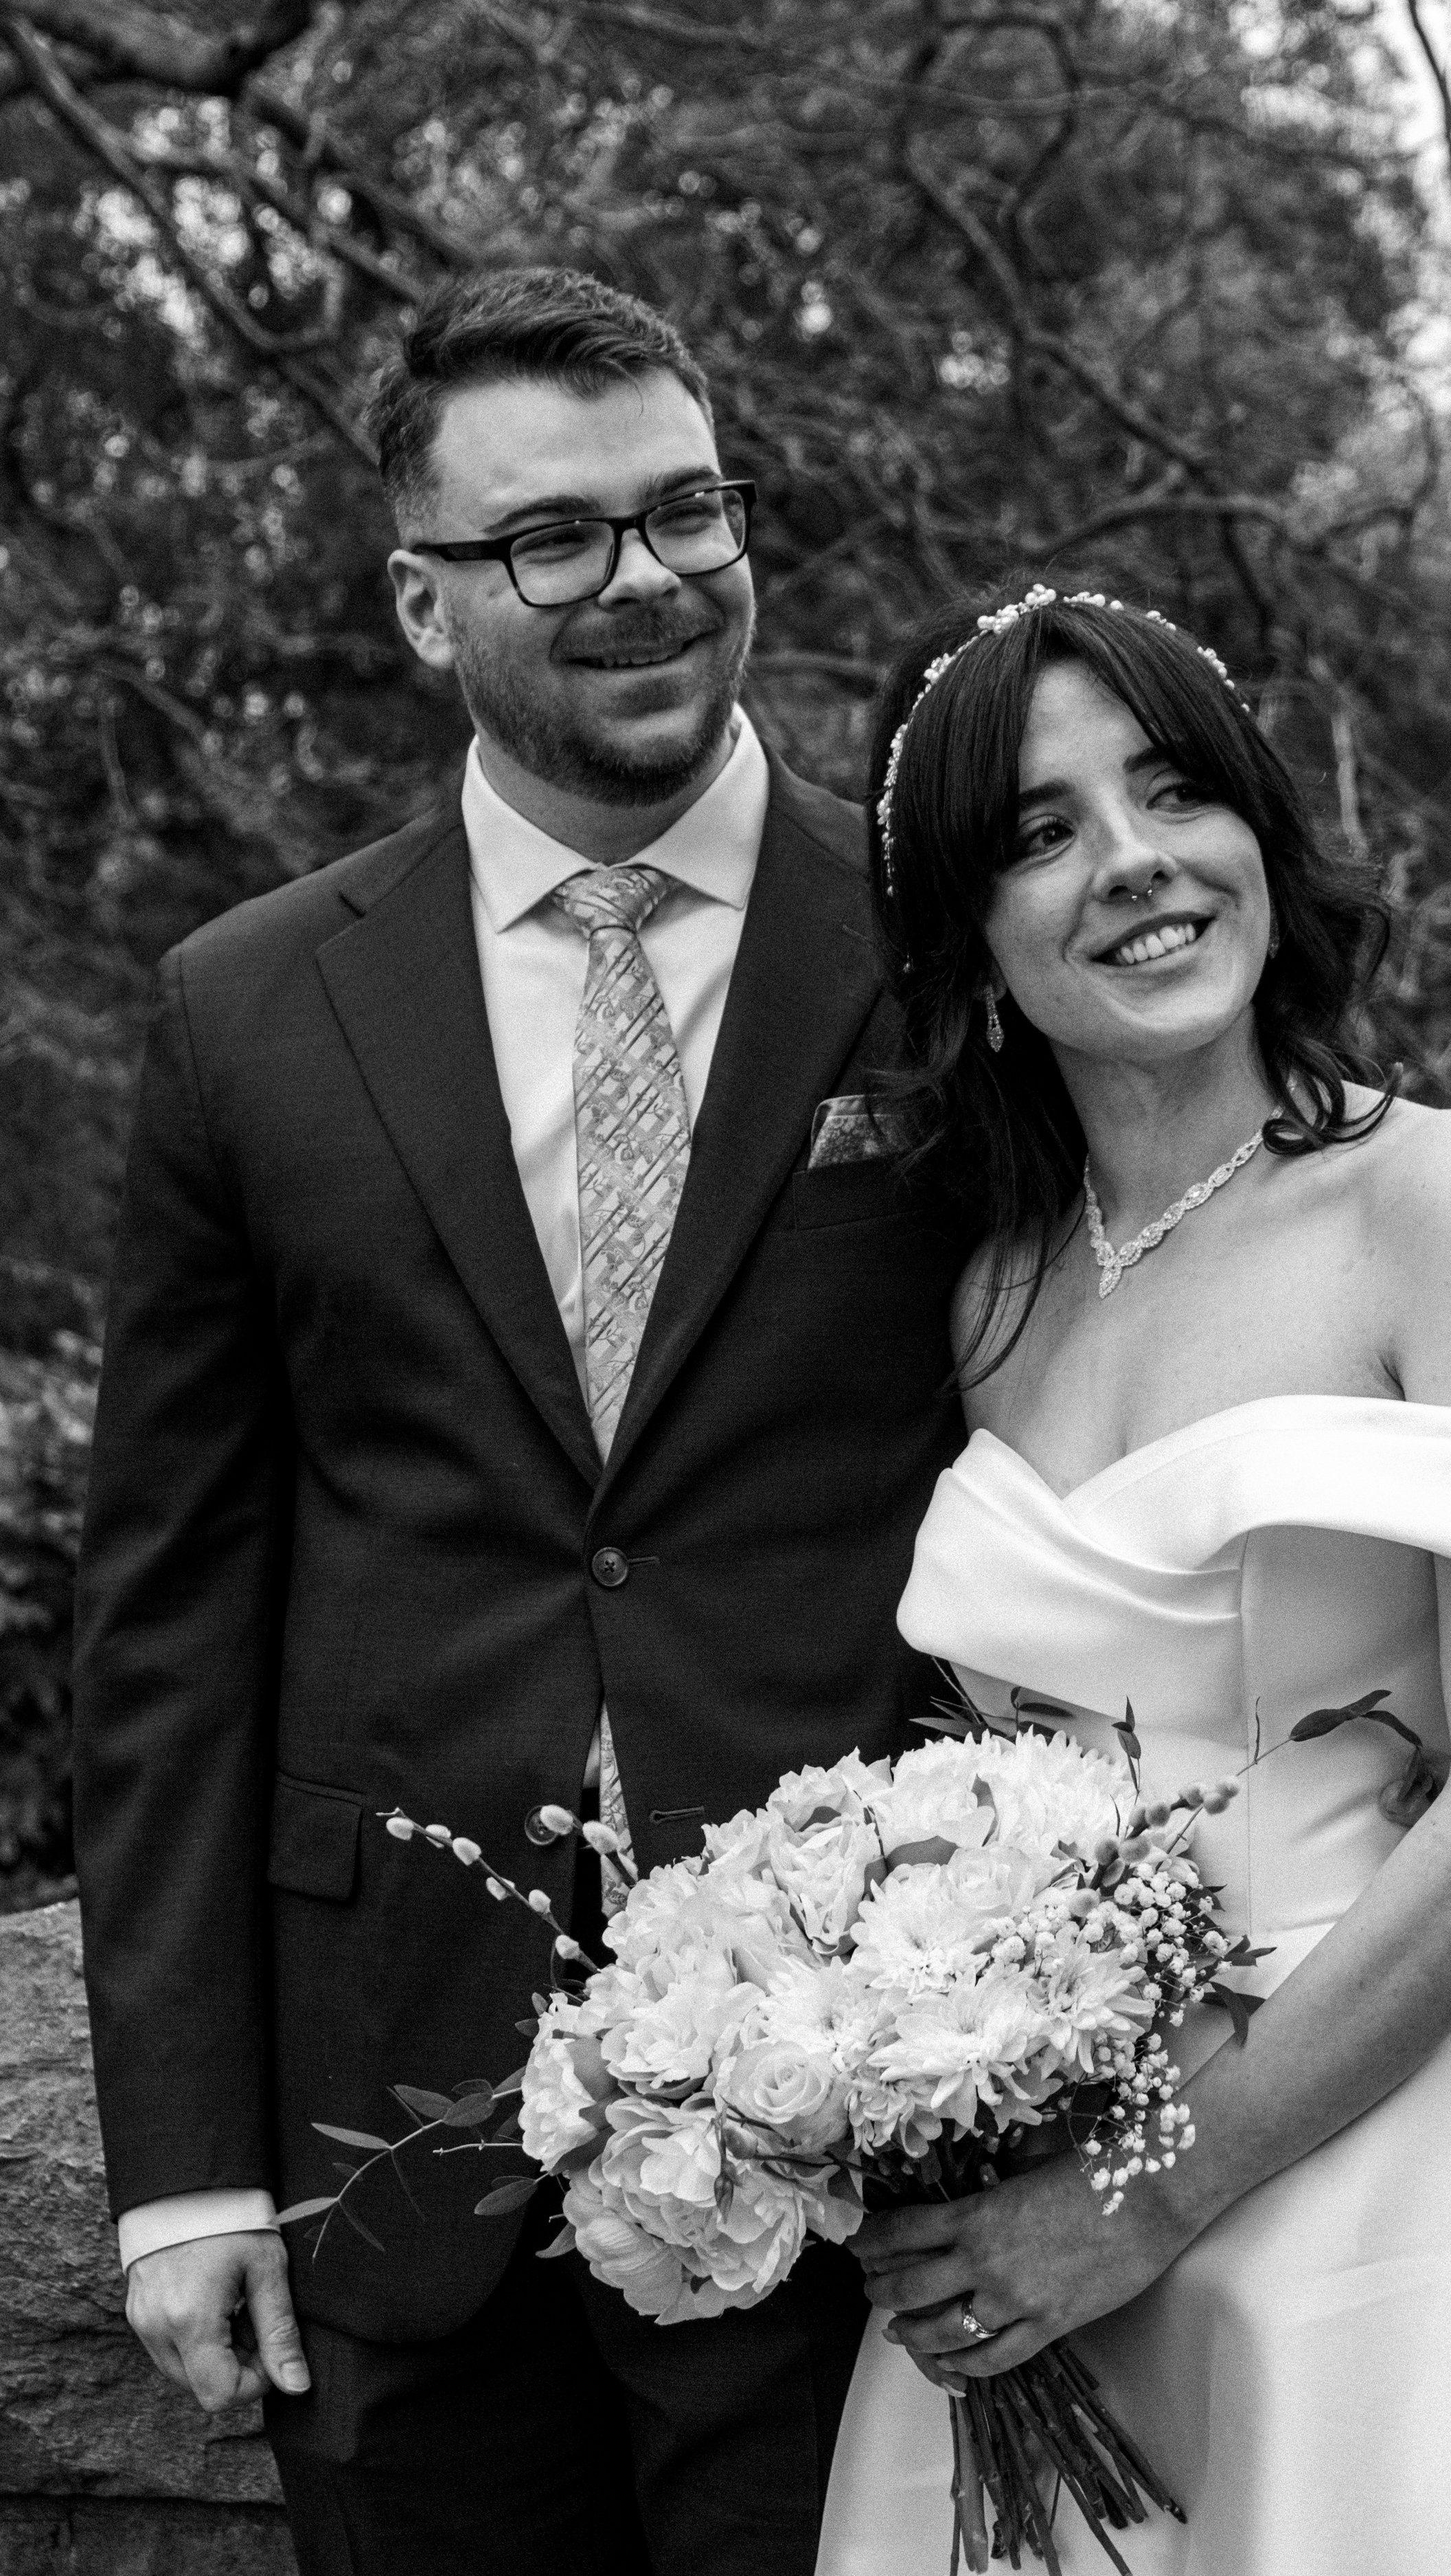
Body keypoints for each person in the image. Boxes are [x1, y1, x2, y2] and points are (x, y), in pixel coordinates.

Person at [72, 267, 966, 2576]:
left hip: (872, 2123)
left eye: (687, 511)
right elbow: (171, 1618)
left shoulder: (961, 938)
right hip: (390, 2135)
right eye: (552, 538)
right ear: (418, 600)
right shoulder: (247, 1008)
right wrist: (183, 2160)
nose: (643, 577)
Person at [814, 585, 1451, 2575]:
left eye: (1169, 792)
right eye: (1039, 834)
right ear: (964, 931)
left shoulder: (1447, 1195)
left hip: (1389, 2166)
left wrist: (1144, 2201)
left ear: (1255, 832)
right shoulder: (977, 1282)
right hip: (1038, 2159)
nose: (1130, 864)